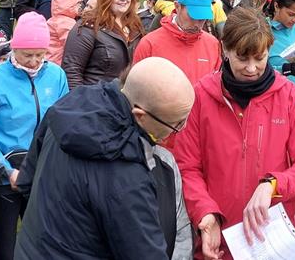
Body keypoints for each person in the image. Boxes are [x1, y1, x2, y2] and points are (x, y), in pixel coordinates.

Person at [173, 6, 295, 258]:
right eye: (243, 58)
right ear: (225, 49)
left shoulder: (289, 97)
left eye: (260, 58)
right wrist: (205, 212)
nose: (252, 68)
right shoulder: (200, 96)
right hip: (217, 241)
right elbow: (186, 167)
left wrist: (273, 185)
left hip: (271, 243)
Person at [15, 57, 194, 259]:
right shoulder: (127, 176)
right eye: (176, 124)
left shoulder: (70, 105)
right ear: (140, 115)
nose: (181, 128)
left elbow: (26, 181)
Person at [0, 13, 68, 259]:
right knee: (5, 249)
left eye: (40, 55)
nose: (34, 62)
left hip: (42, 175)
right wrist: (6, 171)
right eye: (27, 55)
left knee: (45, 246)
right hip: (2, 178)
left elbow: (64, 125)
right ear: (14, 49)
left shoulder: (56, 75)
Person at [132, 0, 221, 88]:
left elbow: (217, 86)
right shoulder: (149, 44)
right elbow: (135, 89)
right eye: (193, 16)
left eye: (203, 17)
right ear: (177, 7)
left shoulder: (212, 44)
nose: (198, 23)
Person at [62, 0, 144, 87]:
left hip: (129, 95)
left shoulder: (136, 26)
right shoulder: (87, 27)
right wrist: (82, 97)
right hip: (96, 95)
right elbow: (72, 71)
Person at [45, 0, 83, 65]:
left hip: (50, 59)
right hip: (58, 62)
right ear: (69, 4)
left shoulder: (53, 20)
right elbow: (71, 44)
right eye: (78, 3)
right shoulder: (65, 23)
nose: (80, 6)